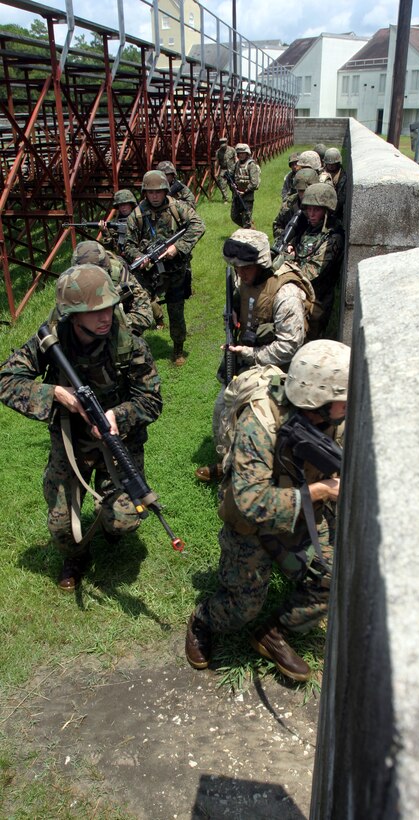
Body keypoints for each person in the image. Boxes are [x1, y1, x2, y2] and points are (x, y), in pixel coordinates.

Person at [185, 339, 350, 682]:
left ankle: (273, 634)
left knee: (336, 576)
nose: (350, 403)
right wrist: (320, 490)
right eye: (343, 398)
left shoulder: (338, 419)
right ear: (320, 401)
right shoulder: (260, 419)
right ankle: (202, 618)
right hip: (251, 527)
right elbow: (249, 501)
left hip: (301, 518)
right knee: (241, 610)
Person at [0, 264, 163, 591]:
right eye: (95, 311)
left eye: (109, 308)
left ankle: (108, 524)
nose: (106, 316)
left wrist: (120, 416)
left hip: (117, 442)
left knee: (124, 521)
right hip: (71, 440)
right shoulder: (51, 340)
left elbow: (151, 400)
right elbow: (6, 379)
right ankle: (75, 556)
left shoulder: (128, 344)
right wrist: (54, 393)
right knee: (61, 526)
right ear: (73, 315)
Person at [195, 228, 314, 483]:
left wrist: (250, 353)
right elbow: (245, 301)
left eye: (245, 268)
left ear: (261, 263)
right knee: (224, 409)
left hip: (281, 371)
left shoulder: (286, 293)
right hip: (249, 360)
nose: (240, 273)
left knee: (271, 424)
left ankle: (273, 477)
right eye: (236, 268)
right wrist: (235, 311)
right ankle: (228, 464)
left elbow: (289, 346)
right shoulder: (245, 277)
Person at [124, 170, 206, 365]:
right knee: (138, 308)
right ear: (145, 193)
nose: (154, 196)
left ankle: (177, 349)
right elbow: (128, 244)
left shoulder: (177, 207)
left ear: (165, 191)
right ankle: (134, 349)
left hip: (175, 270)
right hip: (147, 273)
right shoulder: (137, 215)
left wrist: (177, 248)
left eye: (158, 192)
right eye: (150, 192)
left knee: (176, 310)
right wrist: (139, 257)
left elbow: (199, 226)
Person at [290, 182, 345, 339]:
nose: (311, 214)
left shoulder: (332, 238)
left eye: (317, 210)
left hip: (317, 302)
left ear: (327, 211)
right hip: (304, 294)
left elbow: (311, 272)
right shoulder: (310, 229)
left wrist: (287, 264)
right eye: (309, 209)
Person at [71, 240, 153, 337]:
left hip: (118, 333)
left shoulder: (120, 276)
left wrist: (113, 326)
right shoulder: (71, 281)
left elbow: (145, 314)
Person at [272, 167, 318, 245]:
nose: (303, 194)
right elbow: (277, 225)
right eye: (300, 191)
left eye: (306, 190)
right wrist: (287, 240)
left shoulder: (322, 203)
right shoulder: (290, 203)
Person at [230, 143, 260, 229]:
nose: (241, 155)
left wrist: (245, 191)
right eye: (239, 153)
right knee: (234, 216)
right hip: (237, 196)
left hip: (247, 196)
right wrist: (232, 185)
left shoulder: (251, 165)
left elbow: (254, 183)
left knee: (246, 218)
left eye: (243, 153)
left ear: (247, 153)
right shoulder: (237, 164)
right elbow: (232, 177)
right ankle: (248, 226)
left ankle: (248, 229)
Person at [100, 189, 137, 256]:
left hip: (139, 255)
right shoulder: (114, 224)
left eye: (125, 204)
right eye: (120, 205)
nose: (123, 208)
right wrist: (105, 232)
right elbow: (110, 248)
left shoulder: (140, 221)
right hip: (121, 258)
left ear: (131, 204)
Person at [323, 147, 348, 220]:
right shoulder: (322, 172)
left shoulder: (342, 176)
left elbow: (341, 198)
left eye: (333, 164)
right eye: (329, 164)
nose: (330, 166)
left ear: (337, 163)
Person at [215, 137, 237, 203]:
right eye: (221, 143)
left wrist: (237, 168)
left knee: (232, 185)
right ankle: (225, 199)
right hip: (223, 170)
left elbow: (236, 158)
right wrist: (216, 172)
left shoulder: (232, 150)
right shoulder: (218, 152)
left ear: (227, 142)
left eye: (224, 143)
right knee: (222, 185)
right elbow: (217, 162)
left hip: (231, 170)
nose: (223, 145)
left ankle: (234, 198)